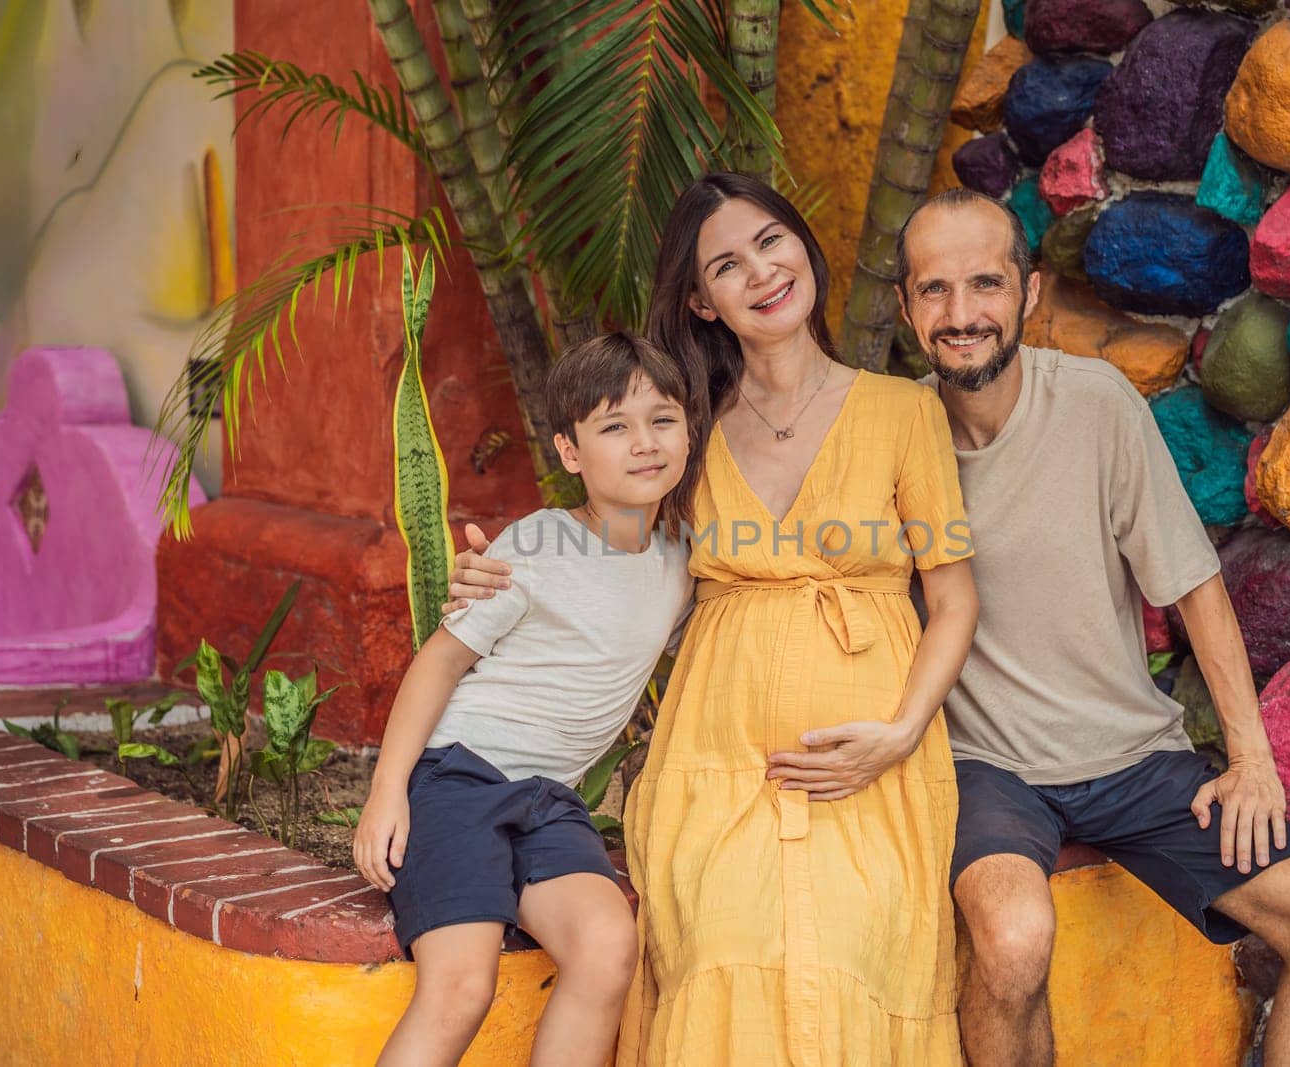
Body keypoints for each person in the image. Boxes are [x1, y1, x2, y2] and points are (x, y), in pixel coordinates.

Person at [449, 172, 979, 1065]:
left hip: (873, 758)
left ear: (804, 250)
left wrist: (898, 733)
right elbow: (599, 545)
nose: (762, 272)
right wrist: (488, 571)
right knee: (720, 946)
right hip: (716, 761)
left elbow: (955, 601)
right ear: (702, 299)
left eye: (772, 242)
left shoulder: (904, 409)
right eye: (727, 265)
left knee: (855, 949)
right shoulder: (682, 427)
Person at [892, 188, 1290, 1067]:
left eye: (985, 284)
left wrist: (1251, 759)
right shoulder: (890, 435)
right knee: (1010, 940)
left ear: (1030, 292)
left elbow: (1194, 588)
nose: (961, 315)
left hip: (1134, 759)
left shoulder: (1095, 403)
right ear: (905, 306)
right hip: (984, 767)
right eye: (934, 290)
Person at [353, 332, 699, 1067]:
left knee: (608, 947)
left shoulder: (681, 556)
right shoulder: (539, 545)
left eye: (662, 419)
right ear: (571, 452)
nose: (644, 442)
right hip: (459, 779)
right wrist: (389, 789)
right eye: (614, 426)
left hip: (549, 799)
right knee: (460, 985)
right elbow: (441, 661)